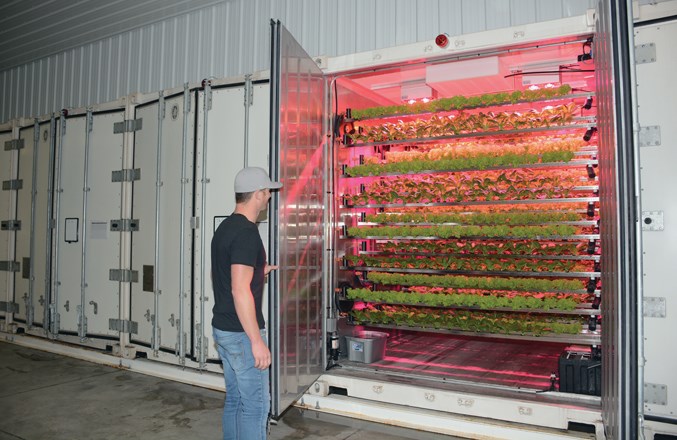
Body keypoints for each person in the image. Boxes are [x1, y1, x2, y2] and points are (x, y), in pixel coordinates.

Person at [211, 166, 282, 440]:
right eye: (267, 192)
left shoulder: (226, 227)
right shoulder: (247, 233)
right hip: (241, 334)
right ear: (258, 194)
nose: (269, 198)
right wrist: (256, 341)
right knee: (256, 406)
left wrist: (258, 270)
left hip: (224, 329)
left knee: (236, 401)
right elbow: (240, 290)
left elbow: (231, 273)